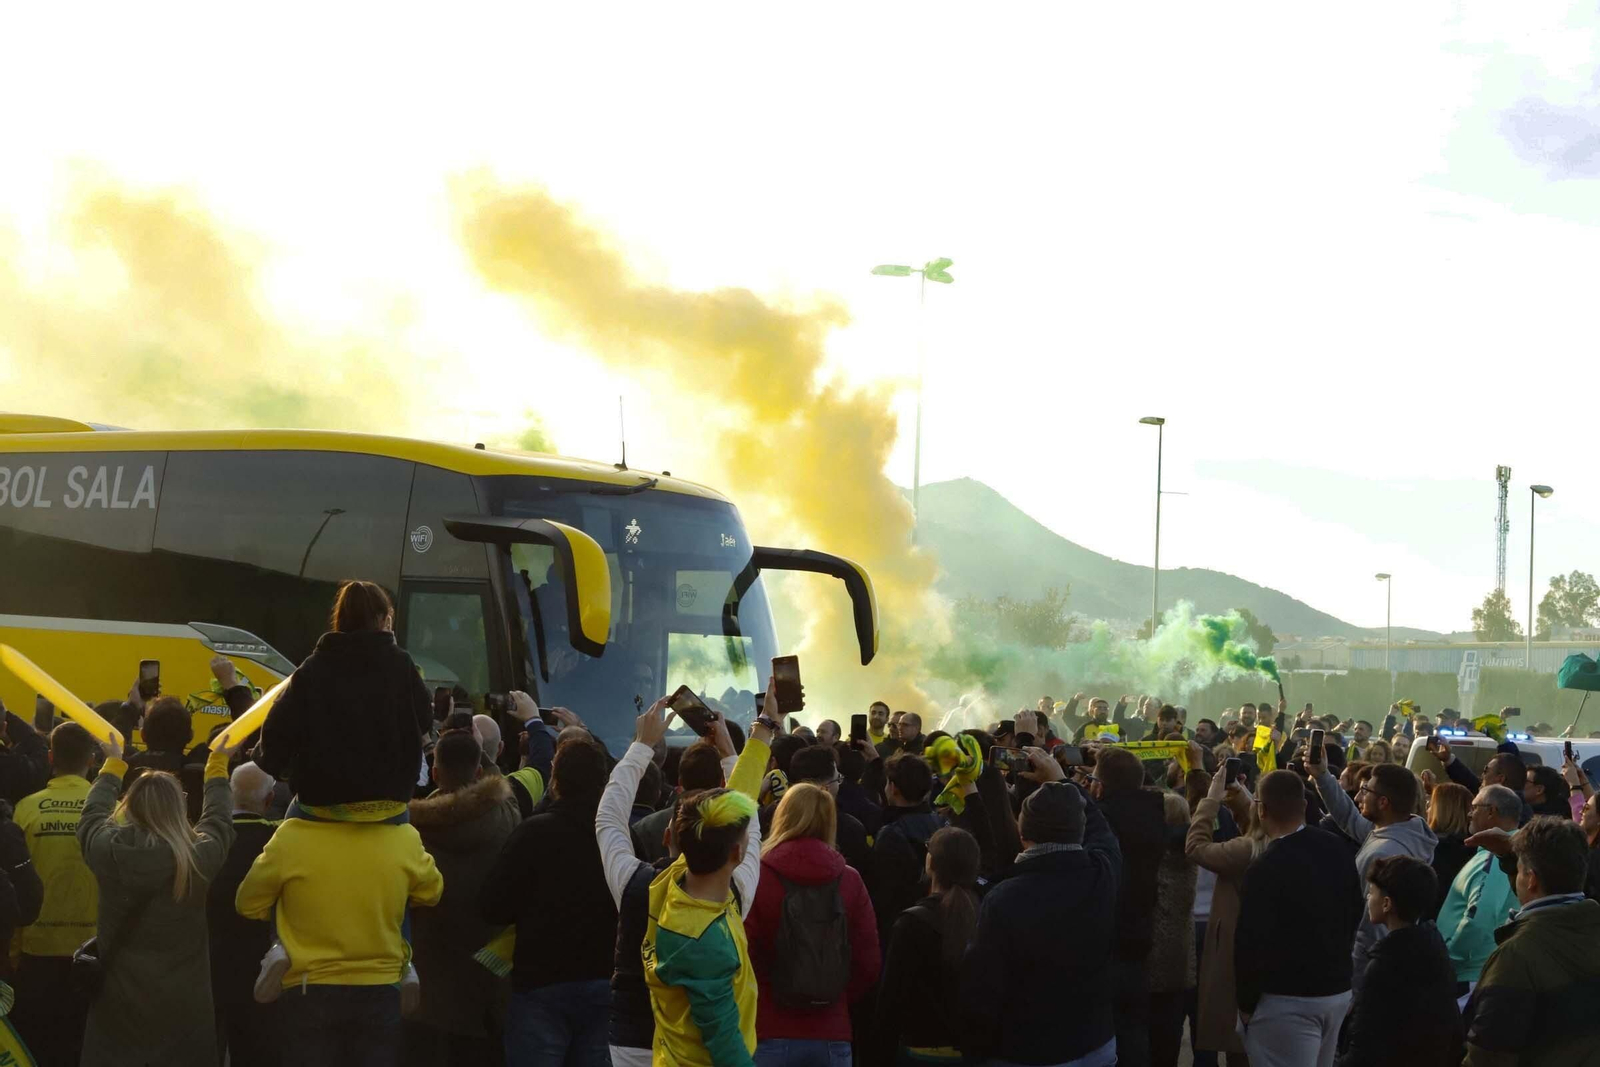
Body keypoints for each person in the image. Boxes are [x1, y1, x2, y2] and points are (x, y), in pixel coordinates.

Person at [236, 730, 445, 1066]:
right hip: (381, 986)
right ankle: (406, 964)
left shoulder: (291, 836)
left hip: (307, 986)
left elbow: (247, 903)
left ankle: (281, 949)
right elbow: (432, 893)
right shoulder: (404, 838)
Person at [598, 693, 771, 1067]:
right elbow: (749, 820)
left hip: (630, 1041)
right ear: (737, 855)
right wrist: (739, 742)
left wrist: (641, 746)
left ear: (670, 837)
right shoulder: (735, 897)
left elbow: (609, 819)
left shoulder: (637, 883)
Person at [78, 729, 240, 1066]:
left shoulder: (107, 850)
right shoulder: (197, 857)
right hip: (185, 1005)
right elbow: (219, 819)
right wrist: (217, 765)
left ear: (130, 805)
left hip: (117, 1003)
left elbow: (92, 815)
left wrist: (113, 764)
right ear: (179, 806)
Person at [961, 752, 1121, 1067]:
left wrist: (975, 1053)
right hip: (1094, 1044)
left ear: (1022, 835)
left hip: (1024, 1051)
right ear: (1079, 830)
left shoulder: (1003, 899)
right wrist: (1061, 779)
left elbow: (982, 991)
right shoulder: (1104, 873)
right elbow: (1103, 834)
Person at [480, 734, 617, 1067]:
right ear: (603, 783)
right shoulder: (617, 837)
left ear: (555, 781)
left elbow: (491, 906)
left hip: (540, 984)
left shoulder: (532, 834)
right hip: (605, 982)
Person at [256, 580, 433, 807]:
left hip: (320, 805)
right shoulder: (401, 664)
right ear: (382, 619)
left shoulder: (313, 667)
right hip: (389, 805)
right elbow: (425, 720)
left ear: (340, 618)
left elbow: (275, 735)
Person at [1234, 770, 1363, 1067]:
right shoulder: (1336, 847)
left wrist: (1245, 1003)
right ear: (1303, 806)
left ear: (1261, 809)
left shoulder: (1265, 866)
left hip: (1286, 999)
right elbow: (1356, 911)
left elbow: (1250, 941)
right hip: (1335, 991)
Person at [745, 783, 880, 1066]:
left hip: (768, 1026)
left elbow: (743, 954)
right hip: (831, 1030)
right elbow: (868, 962)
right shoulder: (850, 880)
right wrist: (833, 993)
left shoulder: (758, 877)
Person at [407, 730, 520, 1065]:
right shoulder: (508, 818)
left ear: (435, 773)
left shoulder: (409, 832)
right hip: (487, 989)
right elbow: (504, 786)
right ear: (480, 772)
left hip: (425, 993)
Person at [1462, 817, 1600, 1064]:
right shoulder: (1588, 926)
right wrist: (1512, 857)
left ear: (1531, 878)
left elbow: (1487, 1056)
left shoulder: (1515, 957)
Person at [643, 786, 762, 1067]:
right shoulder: (704, 943)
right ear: (736, 851)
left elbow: (733, 795)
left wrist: (755, 744)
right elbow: (725, 1046)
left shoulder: (673, 879)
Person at [1308, 747, 1437, 990]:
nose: (1358, 797)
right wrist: (1322, 775)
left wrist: (1353, 989)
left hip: (1362, 977)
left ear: (1383, 802)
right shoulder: (1403, 831)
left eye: (1365, 791)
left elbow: (1371, 931)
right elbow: (1349, 818)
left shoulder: (1384, 853)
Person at [11, 722, 97, 1067]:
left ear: (50, 758)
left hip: (36, 948)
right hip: (91, 950)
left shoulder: (26, 809)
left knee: (36, 1046)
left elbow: (16, 884)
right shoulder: (110, 813)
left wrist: (13, 950)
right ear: (91, 760)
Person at [1335, 856, 1464, 1067]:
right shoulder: (1435, 950)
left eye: (1372, 892)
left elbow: (1364, 1043)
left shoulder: (1385, 964)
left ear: (1386, 904)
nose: (1367, 897)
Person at [872, 826, 980, 1067]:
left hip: (919, 1050)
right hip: (971, 1051)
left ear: (930, 863)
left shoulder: (912, 923)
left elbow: (890, 1002)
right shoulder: (985, 917)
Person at [1092, 745, 1165, 1067]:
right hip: (1140, 934)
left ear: (1102, 785)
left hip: (1104, 940)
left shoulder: (1101, 820)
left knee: (1100, 1029)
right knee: (1135, 1027)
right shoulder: (1154, 813)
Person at [1186, 754, 1262, 1063]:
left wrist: (1211, 801)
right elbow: (1255, 825)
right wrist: (1239, 796)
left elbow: (1196, 848)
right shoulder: (1276, 839)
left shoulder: (1250, 849)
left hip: (1220, 934)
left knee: (1221, 1024)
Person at [208, 761, 281, 1067]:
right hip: (261, 964)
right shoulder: (278, 842)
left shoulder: (205, 838)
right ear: (269, 800)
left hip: (208, 960)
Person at [1439, 785, 1521, 1003]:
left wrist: (1447, 957)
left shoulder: (1497, 857)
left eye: (1474, 807)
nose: (1469, 813)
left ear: (1491, 811)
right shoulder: (1502, 853)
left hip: (1467, 975)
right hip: (1473, 972)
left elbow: (1480, 917)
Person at [762, 744, 869, 873]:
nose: (839, 784)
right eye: (838, 779)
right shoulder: (850, 829)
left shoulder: (771, 814)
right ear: (825, 788)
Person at [1148, 790, 1196, 1067]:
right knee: (1170, 1035)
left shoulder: (1154, 857)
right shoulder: (1190, 855)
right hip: (1180, 960)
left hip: (1151, 957)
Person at [1432, 740, 1533, 825]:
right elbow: (1470, 781)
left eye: (1486, 770)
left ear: (1500, 779)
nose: (1471, 815)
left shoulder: (1516, 816)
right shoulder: (1501, 802)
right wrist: (1448, 759)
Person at [1427, 781, 1475, 920]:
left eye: (1431, 805)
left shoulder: (1433, 849)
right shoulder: (1474, 849)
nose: (1427, 809)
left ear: (1442, 811)